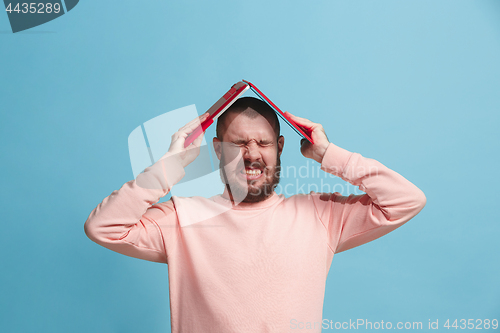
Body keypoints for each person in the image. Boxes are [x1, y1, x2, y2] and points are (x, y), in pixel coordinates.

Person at [84, 97, 426, 333]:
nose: (251, 155)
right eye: (238, 144)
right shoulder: (182, 218)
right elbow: (103, 227)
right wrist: (170, 166)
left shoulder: (319, 214)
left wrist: (328, 154)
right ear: (217, 149)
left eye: (263, 144)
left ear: (279, 147)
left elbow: (406, 200)